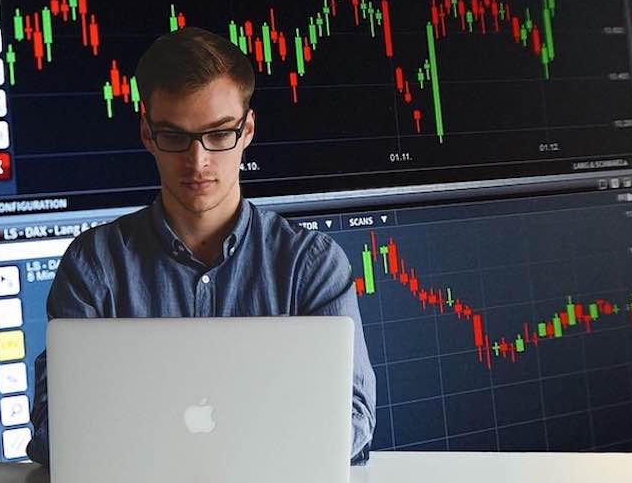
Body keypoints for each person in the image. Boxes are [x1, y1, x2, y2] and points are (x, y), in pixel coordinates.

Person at [25, 26, 377, 464]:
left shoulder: (312, 265)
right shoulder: (92, 266)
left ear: (247, 130)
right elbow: (53, 431)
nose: (198, 161)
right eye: (175, 136)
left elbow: (353, 418)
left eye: (219, 133)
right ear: (147, 134)